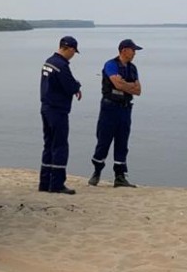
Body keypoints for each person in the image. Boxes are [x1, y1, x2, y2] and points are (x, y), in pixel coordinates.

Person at [89, 38, 142, 188]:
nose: (135, 54)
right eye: (133, 50)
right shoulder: (111, 65)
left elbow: (138, 90)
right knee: (103, 140)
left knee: (122, 142)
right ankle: (97, 171)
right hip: (109, 108)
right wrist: (128, 85)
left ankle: (120, 176)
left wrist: (124, 85)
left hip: (125, 108)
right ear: (124, 50)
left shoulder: (132, 68)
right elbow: (116, 83)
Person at [39, 36, 83, 194]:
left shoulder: (49, 61)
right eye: (74, 51)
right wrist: (77, 86)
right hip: (57, 110)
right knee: (60, 146)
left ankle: (44, 183)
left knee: (48, 145)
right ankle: (57, 184)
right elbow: (70, 85)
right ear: (69, 48)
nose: (73, 55)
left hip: (46, 107)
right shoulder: (61, 65)